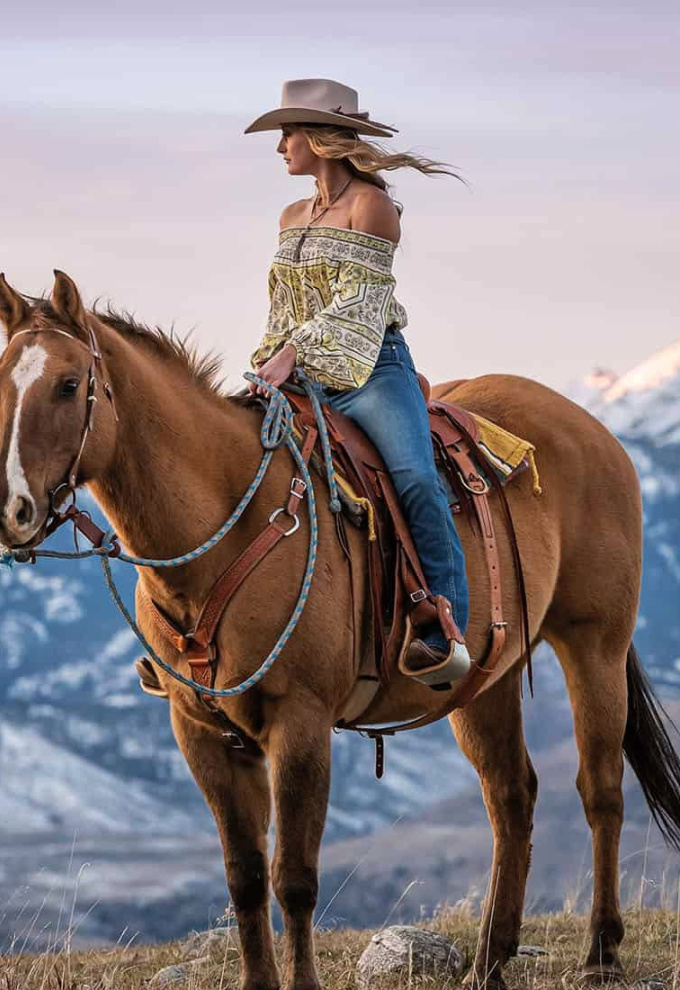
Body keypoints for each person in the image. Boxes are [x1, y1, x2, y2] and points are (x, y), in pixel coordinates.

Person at [243, 78, 471, 686]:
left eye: (288, 132)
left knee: (417, 479)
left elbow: (358, 306)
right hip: (301, 368)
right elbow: (283, 308)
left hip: (373, 368)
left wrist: (293, 353)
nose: (280, 146)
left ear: (320, 138)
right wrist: (270, 359)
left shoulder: (373, 207)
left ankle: (445, 626)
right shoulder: (291, 215)